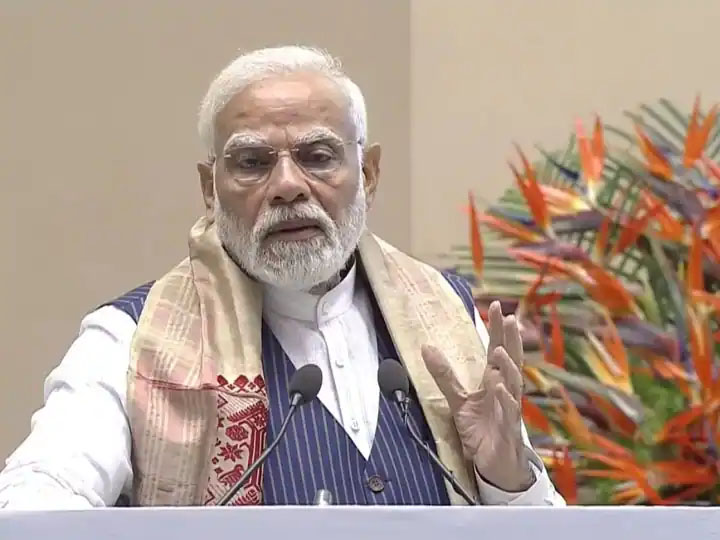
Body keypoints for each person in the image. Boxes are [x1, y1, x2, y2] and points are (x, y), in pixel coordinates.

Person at [0, 45, 565, 509]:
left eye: (318, 156)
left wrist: (506, 479)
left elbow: (537, 522)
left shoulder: (448, 317)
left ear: (368, 174)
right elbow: (37, 497)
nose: (288, 186)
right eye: (252, 162)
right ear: (209, 189)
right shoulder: (130, 339)